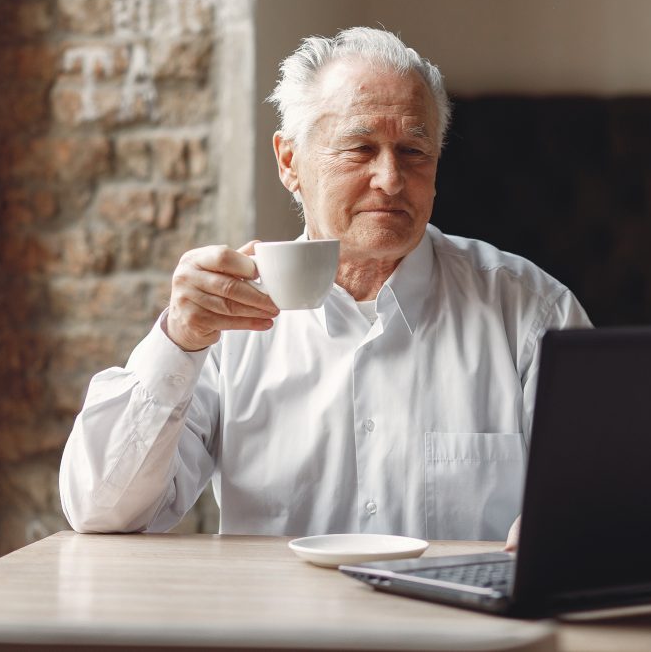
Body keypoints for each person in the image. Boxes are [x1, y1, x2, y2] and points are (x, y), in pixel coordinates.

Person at [59, 27, 591, 545]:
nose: (390, 179)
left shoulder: (531, 311)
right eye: (360, 149)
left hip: (460, 630)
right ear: (291, 162)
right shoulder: (227, 319)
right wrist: (178, 341)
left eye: (413, 152)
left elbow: (606, 494)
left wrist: (571, 526)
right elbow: (103, 511)